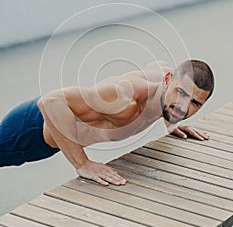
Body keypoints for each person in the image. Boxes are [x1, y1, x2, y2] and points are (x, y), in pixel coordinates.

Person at [0, 59, 214, 186]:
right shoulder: (124, 99)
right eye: (181, 94)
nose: (184, 107)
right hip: (29, 132)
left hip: (48, 128)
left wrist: (172, 122)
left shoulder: (166, 80)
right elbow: (50, 103)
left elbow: (160, 67)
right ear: (167, 80)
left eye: (195, 103)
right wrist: (82, 164)